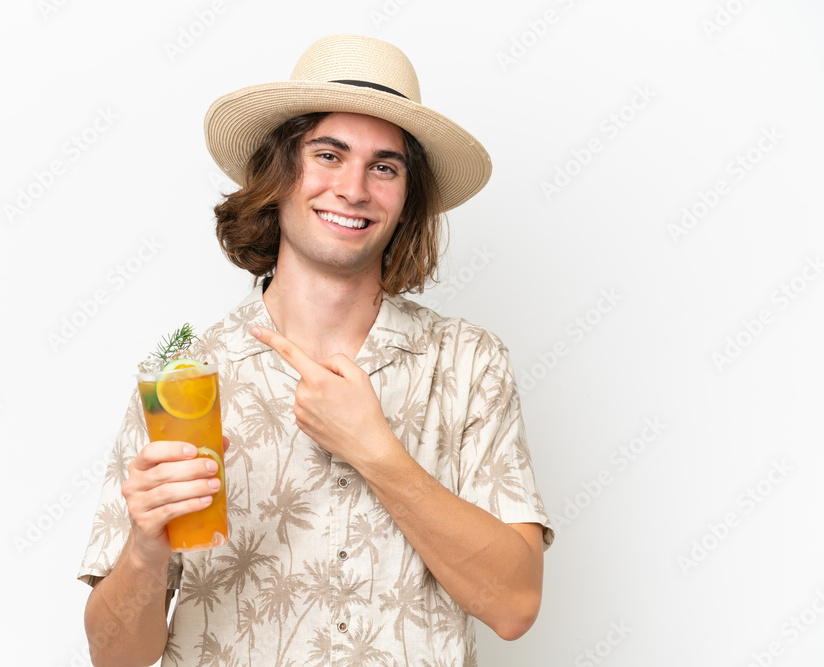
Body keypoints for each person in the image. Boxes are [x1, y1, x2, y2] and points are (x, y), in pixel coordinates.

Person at [79, 34, 553, 667]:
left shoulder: (468, 363)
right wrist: (143, 549)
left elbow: (515, 605)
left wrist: (374, 450)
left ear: (406, 196)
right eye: (328, 154)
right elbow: (117, 659)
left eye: (384, 166)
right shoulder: (183, 373)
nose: (353, 188)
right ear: (280, 174)